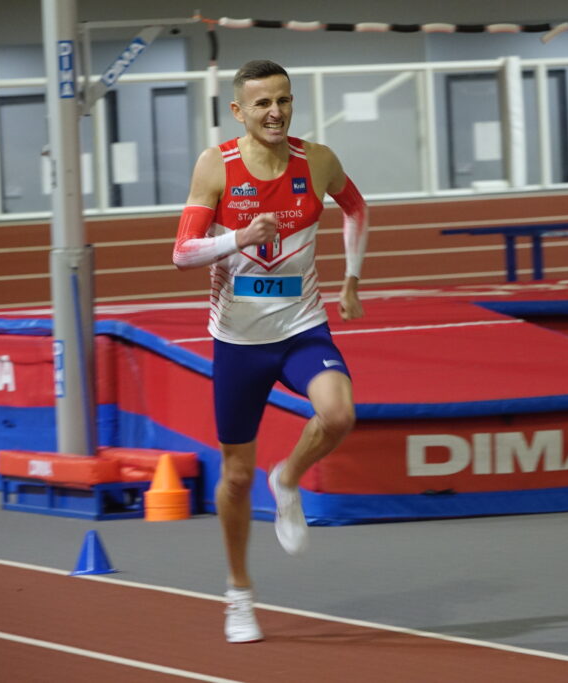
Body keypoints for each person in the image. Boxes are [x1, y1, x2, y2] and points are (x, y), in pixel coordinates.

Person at [172, 59, 369, 643]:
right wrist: (239, 238)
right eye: (261, 103)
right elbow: (182, 252)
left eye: (283, 100)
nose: (275, 112)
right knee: (234, 476)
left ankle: (288, 478)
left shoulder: (318, 160)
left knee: (339, 413)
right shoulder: (216, 166)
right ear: (239, 111)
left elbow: (356, 207)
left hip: (303, 327)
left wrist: (352, 279)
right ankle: (239, 594)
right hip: (239, 341)